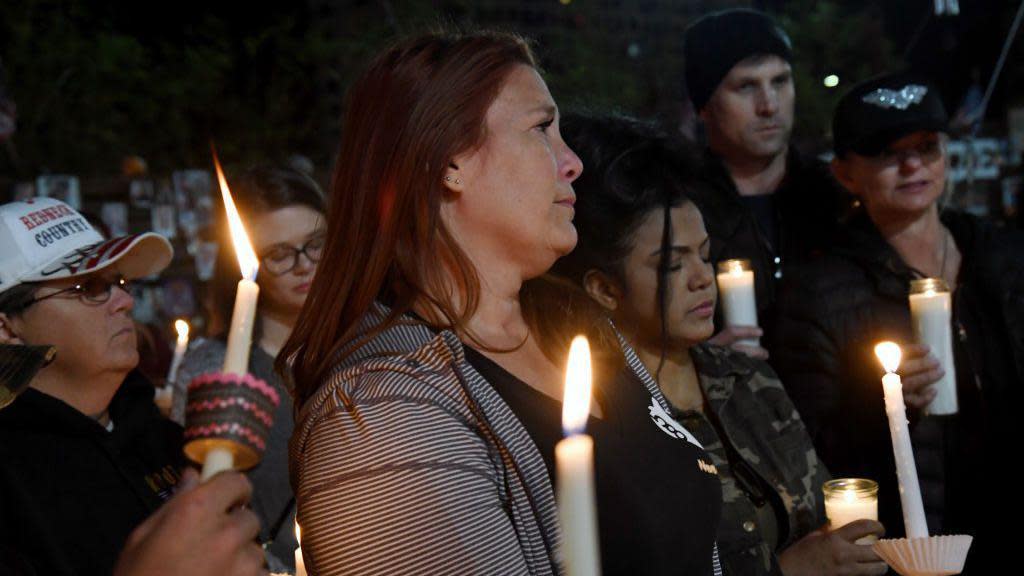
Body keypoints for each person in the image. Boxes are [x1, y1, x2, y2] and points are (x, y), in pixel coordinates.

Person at [280, 30, 724, 575]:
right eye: (542, 129)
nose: (573, 163)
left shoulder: (576, 324)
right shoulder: (380, 421)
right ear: (449, 163)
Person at [554, 113, 886, 576]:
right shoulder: (610, 413)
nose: (701, 279)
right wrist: (788, 570)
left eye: (706, 256)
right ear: (604, 288)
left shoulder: (746, 376)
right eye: (673, 264)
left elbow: (824, 506)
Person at [770, 71, 1024, 574]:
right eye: (887, 153)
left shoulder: (999, 255)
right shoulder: (820, 292)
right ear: (845, 173)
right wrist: (884, 402)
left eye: (926, 146)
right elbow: (809, 445)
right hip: (919, 545)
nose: (912, 164)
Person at [0, 196, 183, 574]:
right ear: (7, 328)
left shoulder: (168, 440)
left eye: (117, 281)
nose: (125, 301)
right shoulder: (9, 484)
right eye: (87, 287)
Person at [173, 165, 325, 571]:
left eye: (317, 243)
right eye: (279, 254)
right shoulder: (217, 366)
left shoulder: (382, 341)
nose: (304, 264)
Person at [683, 8, 847, 354]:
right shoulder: (678, 207)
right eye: (746, 86)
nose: (769, 105)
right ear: (704, 106)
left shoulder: (836, 197)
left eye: (780, 81)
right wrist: (701, 361)